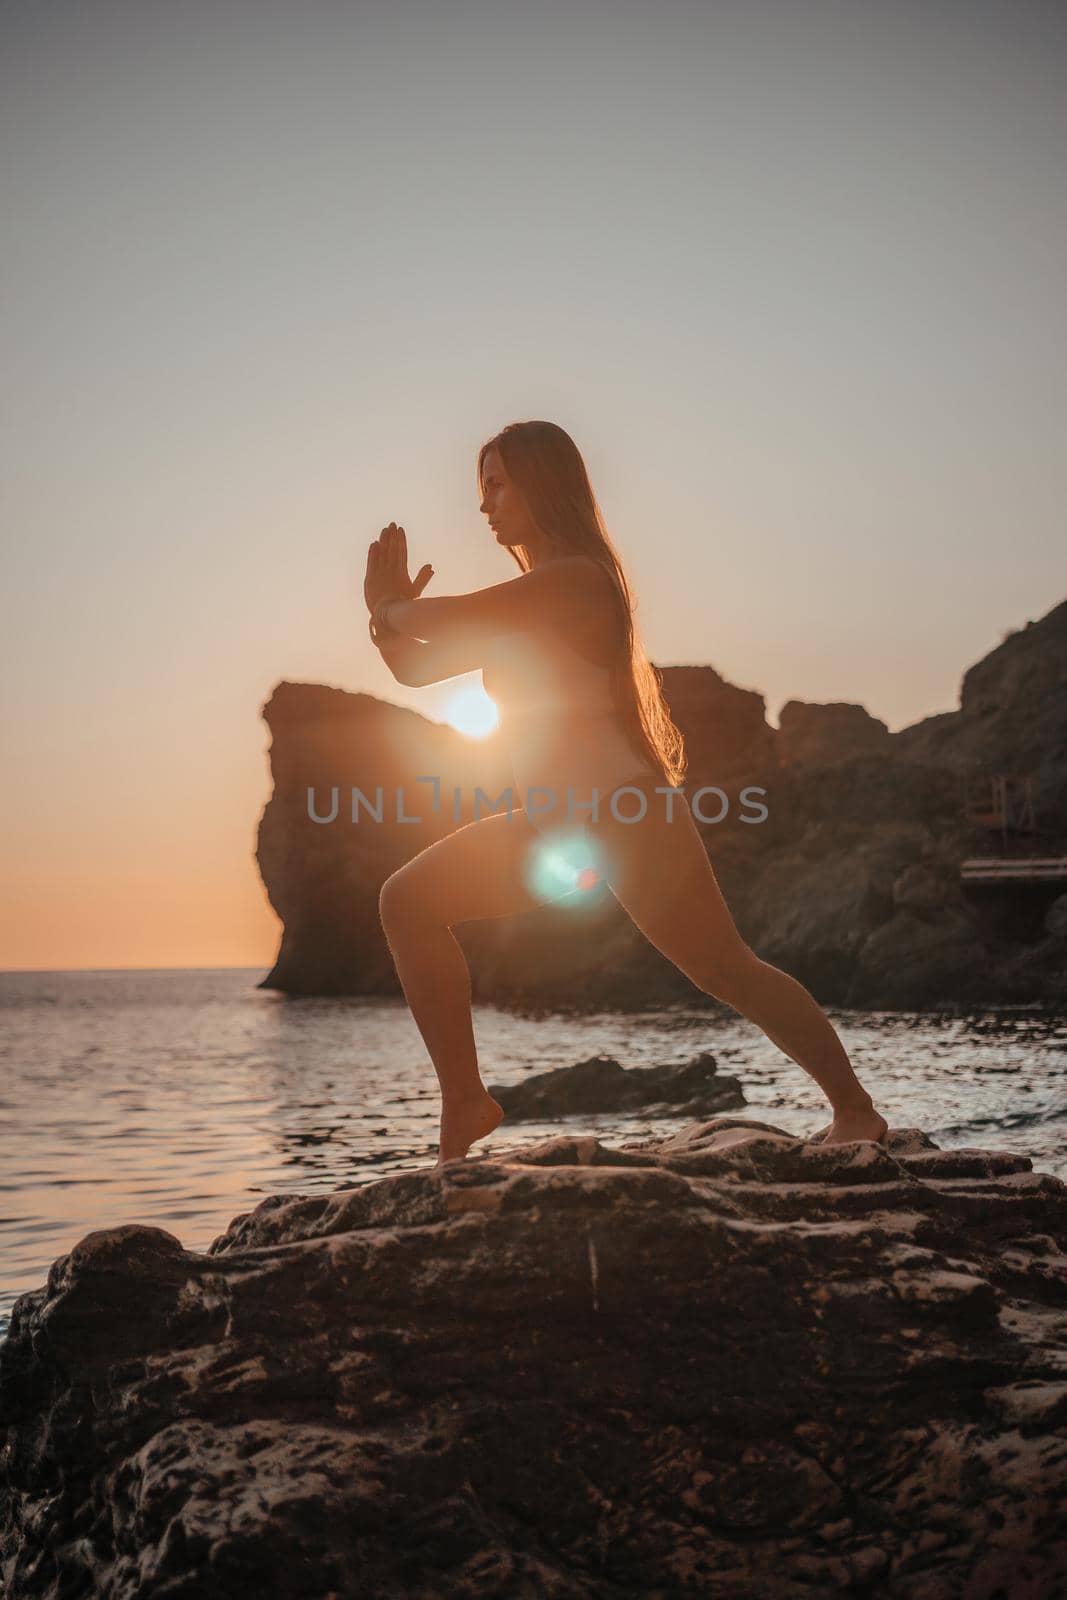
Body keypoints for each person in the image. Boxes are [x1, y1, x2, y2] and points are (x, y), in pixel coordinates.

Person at [363, 420, 888, 1166]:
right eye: (480, 489)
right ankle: (465, 1103)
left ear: (544, 484)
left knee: (723, 968)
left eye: (496, 484)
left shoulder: (574, 580)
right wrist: (380, 614)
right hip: (549, 826)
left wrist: (389, 607)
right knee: (407, 901)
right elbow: (415, 668)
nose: (484, 505)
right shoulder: (521, 608)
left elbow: (431, 620)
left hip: (622, 812)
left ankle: (855, 1110)